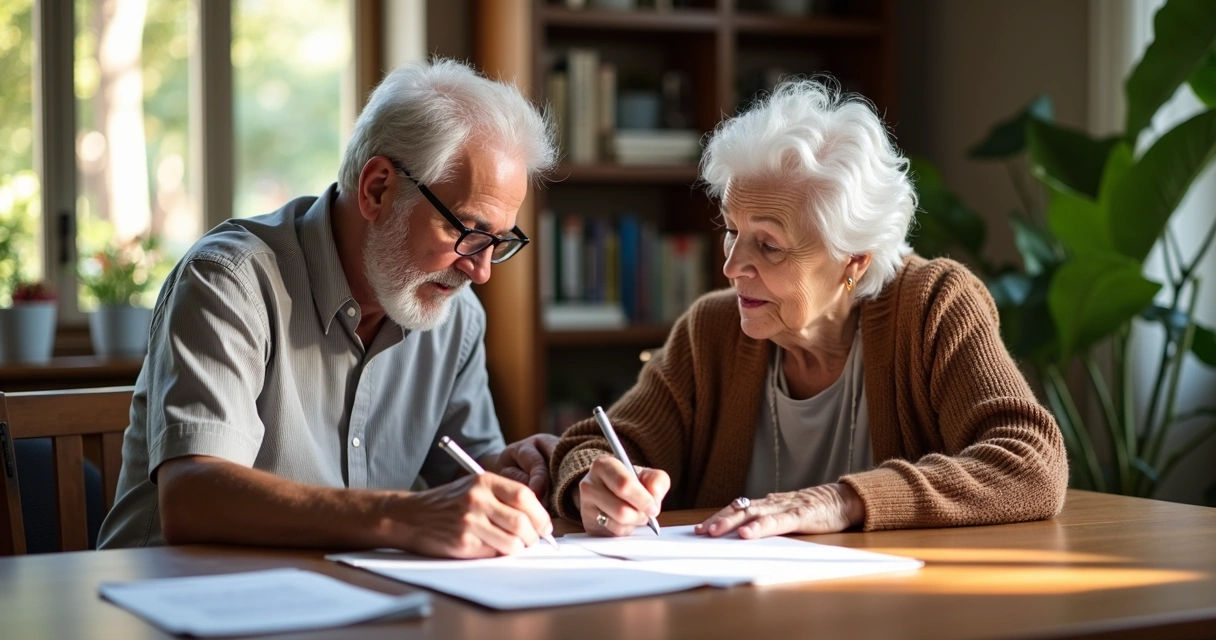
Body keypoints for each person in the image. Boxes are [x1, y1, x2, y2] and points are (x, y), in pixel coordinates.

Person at [550, 78, 1068, 539]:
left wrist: (840, 499)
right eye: (732, 232)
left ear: (853, 262)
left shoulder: (932, 306)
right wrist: (593, 485)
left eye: (768, 245)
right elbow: (597, 444)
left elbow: (1031, 462)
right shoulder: (712, 329)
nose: (732, 267)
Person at [98, 59, 561, 558]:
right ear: (378, 188)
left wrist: (517, 474)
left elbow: (463, 473)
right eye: (466, 232)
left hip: (340, 599)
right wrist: (400, 515)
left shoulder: (455, 315)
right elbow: (193, 498)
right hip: (168, 602)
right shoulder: (230, 280)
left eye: (499, 241)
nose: (481, 271)